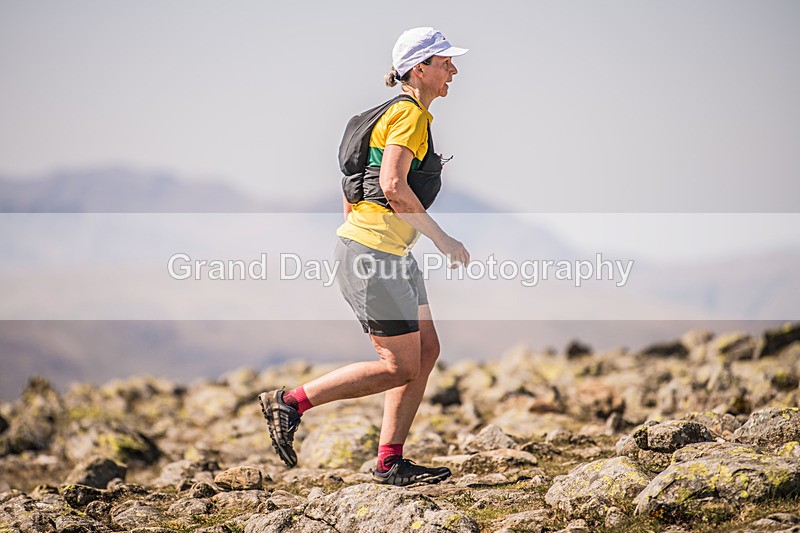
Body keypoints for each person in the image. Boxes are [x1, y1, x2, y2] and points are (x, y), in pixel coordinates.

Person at [259, 27, 469, 487]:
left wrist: (369, 235)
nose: (453, 69)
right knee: (399, 366)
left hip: (385, 253)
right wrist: (443, 240)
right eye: (444, 62)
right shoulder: (409, 115)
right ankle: (291, 402)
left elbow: (355, 182)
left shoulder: (396, 113)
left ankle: (390, 461)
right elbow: (393, 186)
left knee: (427, 350)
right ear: (419, 69)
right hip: (374, 256)